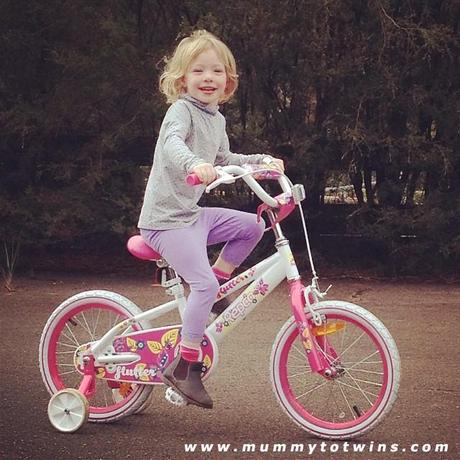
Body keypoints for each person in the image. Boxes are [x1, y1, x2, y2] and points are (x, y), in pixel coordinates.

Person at [138, 30, 284, 409]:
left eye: (216, 71)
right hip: (164, 221)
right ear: (182, 80)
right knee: (198, 285)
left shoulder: (215, 119)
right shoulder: (181, 112)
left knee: (253, 225)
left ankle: (217, 285)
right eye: (198, 70)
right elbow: (173, 145)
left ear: (228, 81)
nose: (207, 78)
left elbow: (224, 159)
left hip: (191, 214)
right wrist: (194, 164)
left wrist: (260, 162)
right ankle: (185, 366)